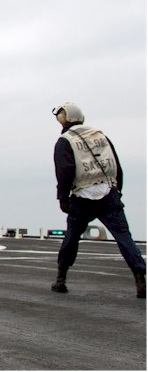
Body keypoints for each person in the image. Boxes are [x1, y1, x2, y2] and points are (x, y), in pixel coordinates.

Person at [51, 102, 146, 298]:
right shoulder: (101, 136)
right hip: (109, 193)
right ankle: (140, 278)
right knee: (124, 237)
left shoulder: (65, 141)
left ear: (64, 118)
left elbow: (65, 171)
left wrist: (62, 198)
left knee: (72, 237)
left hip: (82, 197)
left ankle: (61, 279)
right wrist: (117, 192)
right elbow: (116, 166)